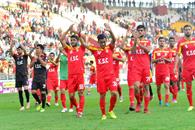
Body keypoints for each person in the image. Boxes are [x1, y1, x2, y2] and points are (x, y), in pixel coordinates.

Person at [82, 24, 118, 120]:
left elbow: (114, 40)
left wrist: (110, 31)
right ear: (98, 42)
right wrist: (78, 34)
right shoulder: (95, 49)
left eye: (104, 42)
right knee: (102, 95)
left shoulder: (109, 48)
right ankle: (103, 114)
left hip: (111, 76)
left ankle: (110, 110)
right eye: (101, 42)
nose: (103, 44)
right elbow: (85, 45)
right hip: (101, 77)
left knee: (114, 93)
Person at [59, 25, 85, 118]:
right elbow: (61, 39)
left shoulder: (81, 49)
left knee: (81, 93)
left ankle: (80, 111)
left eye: (74, 40)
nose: (73, 41)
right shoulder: (68, 50)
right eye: (71, 40)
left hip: (80, 75)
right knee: (71, 96)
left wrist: (77, 33)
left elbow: (84, 41)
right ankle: (77, 107)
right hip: (71, 76)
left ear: (77, 41)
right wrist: (68, 30)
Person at [131, 25, 152, 113]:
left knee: (146, 87)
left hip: (146, 67)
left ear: (144, 31)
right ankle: (139, 102)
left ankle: (146, 108)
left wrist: (140, 44)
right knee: (136, 87)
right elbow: (132, 51)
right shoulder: (133, 42)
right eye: (138, 30)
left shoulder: (148, 41)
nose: (140, 32)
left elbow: (148, 50)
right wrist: (136, 42)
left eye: (141, 30)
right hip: (136, 68)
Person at [174, 25, 195, 111]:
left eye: (189, 29)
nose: (187, 31)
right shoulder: (181, 42)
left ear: (192, 30)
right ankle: (191, 105)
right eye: (186, 30)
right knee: (188, 86)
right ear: (184, 31)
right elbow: (178, 56)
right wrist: (175, 66)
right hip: (187, 67)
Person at [10, 40, 30, 111]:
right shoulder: (16, 57)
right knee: (20, 91)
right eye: (17, 50)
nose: (18, 51)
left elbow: (25, 51)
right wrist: (11, 46)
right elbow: (11, 53)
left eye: (19, 49)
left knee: (26, 89)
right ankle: (22, 106)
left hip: (24, 76)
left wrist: (21, 45)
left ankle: (28, 102)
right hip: (18, 76)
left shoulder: (25, 56)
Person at [152, 37, 172, 106]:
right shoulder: (155, 51)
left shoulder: (168, 50)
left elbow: (170, 60)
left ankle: (166, 102)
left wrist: (165, 59)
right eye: (160, 41)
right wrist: (158, 59)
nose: (162, 42)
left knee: (166, 86)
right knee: (158, 87)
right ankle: (160, 100)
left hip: (166, 71)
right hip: (158, 72)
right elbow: (152, 61)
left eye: (163, 41)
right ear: (158, 42)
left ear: (165, 42)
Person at [120, 34, 135, 111]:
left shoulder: (140, 47)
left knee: (140, 88)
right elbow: (121, 46)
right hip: (131, 71)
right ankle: (132, 103)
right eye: (132, 38)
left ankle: (139, 102)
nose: (133, 40)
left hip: (139, 70)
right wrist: (125, 36)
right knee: (131, 87)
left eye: (134, 38)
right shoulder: (128, 49)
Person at [30, 44, 47, 112]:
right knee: (33, 92)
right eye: (36, 48)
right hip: (35, 78)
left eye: (38, 48)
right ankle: (40, 102)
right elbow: (30, 66)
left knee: (43, 93)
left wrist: (39, 58)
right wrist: (33, 61)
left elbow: (44, 64)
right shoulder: (34, 58)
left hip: (42, 78)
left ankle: (43, 107)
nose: (36, 49)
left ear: (41, 50)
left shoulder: (45, 56)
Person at [58, 47, 73, 113]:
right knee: (62, 91)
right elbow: (56, 61)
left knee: (71, 94)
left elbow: (70, 58)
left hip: (70, 77)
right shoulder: (61, 56)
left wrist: (64, 52)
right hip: (62, 77)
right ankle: (64, 107)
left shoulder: (71, 55)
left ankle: (71, 107)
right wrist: (59, 53)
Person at [168, 37, 178, 103]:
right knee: (167, 84)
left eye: (173, 41)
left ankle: (174, 98)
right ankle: (173, 93)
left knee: (175, 83)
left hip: (174, 68)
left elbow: (177, 59)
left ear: (174, 42)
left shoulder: (176, 50)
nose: (172, 42)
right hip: (167, 69)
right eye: (170, 41)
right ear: (169, 42)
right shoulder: (166, 49)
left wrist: (175, 68)